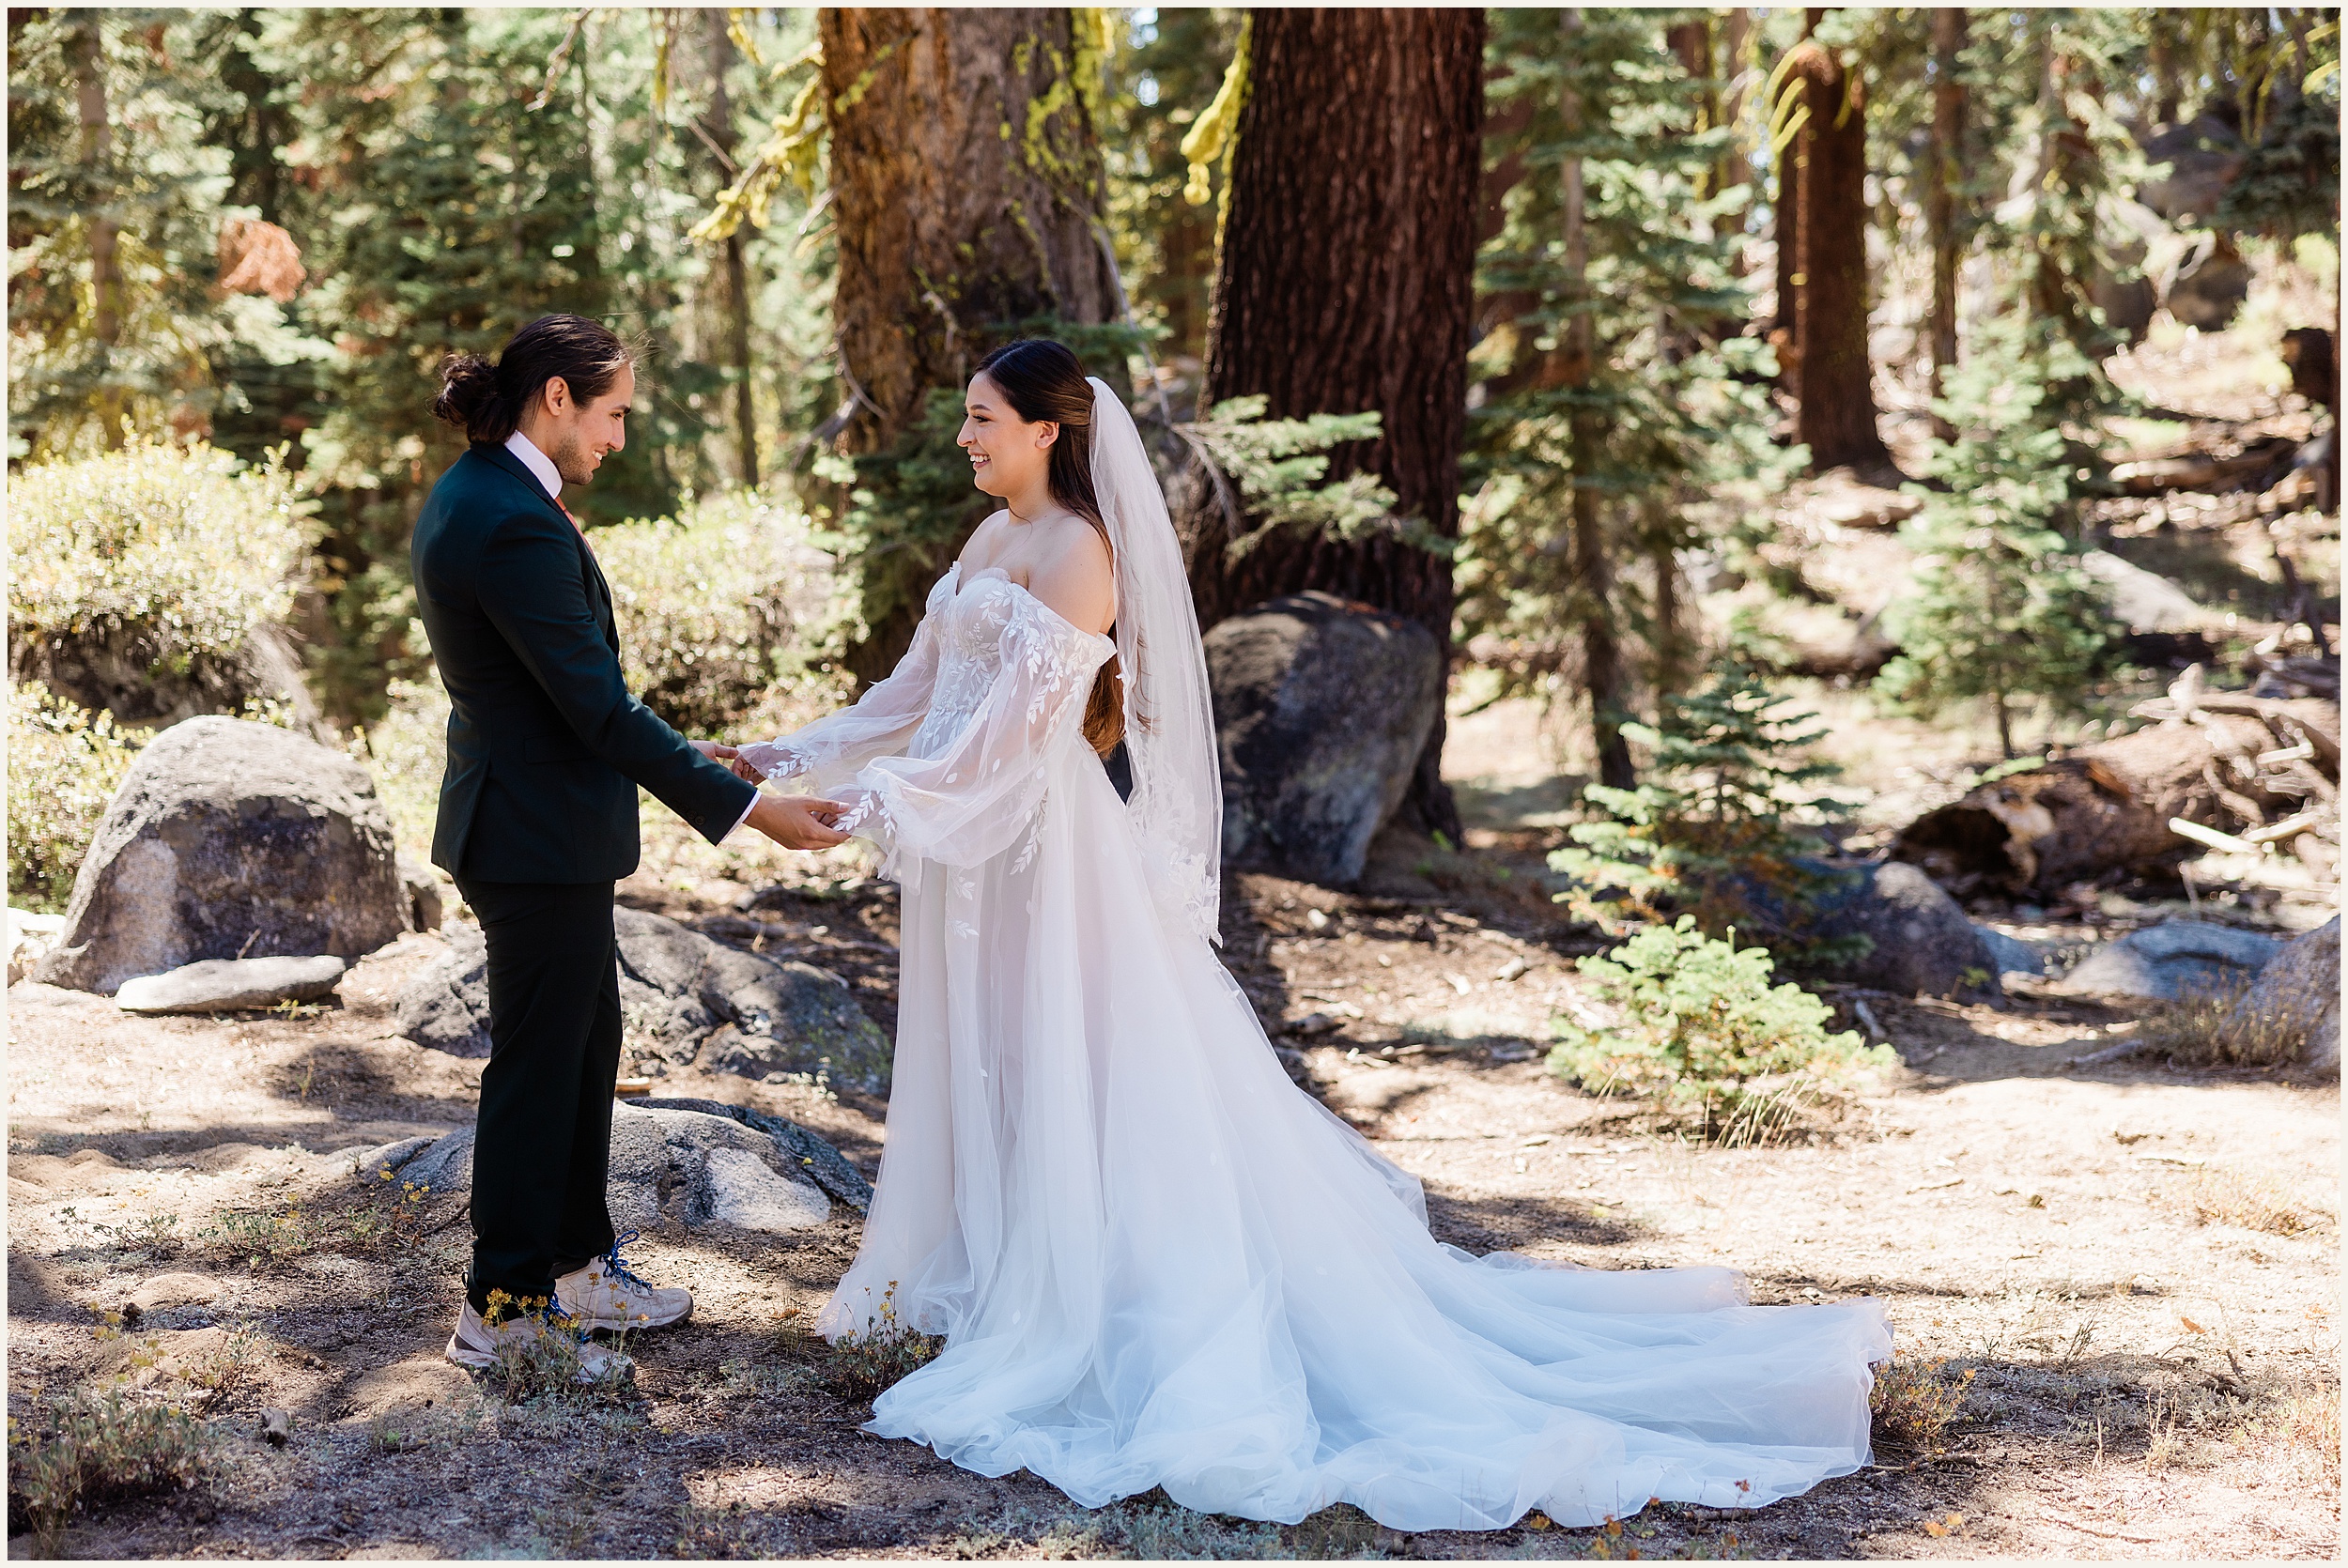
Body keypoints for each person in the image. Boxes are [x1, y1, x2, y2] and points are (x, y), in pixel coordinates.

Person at [727, 337, 1893, 1530]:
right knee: (1002, 1054)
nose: (965, 437)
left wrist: (870, 806)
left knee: (1077, 1057)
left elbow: (1012, 740)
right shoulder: (985, 542)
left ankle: (1091, 1297)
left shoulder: (1079, 552)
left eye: (982, 418)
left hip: (1045, 847)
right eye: (965, 417)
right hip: (977, 850)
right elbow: (913, 695)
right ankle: (1004, 1274)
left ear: (1046, 429)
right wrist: (781, 759)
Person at [411, 315, 849, 1378]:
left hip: (539, 823)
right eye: (612, 414)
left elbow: (559, 694)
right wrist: (752, 812)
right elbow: (597, 708)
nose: (617, 438)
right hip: (529, 836)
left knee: (583, 1050)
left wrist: (686, 750)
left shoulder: (488, 493)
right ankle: (506, 1310)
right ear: (555, 397)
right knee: (536, 1068)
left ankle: (572, 1268)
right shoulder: (508, 517)